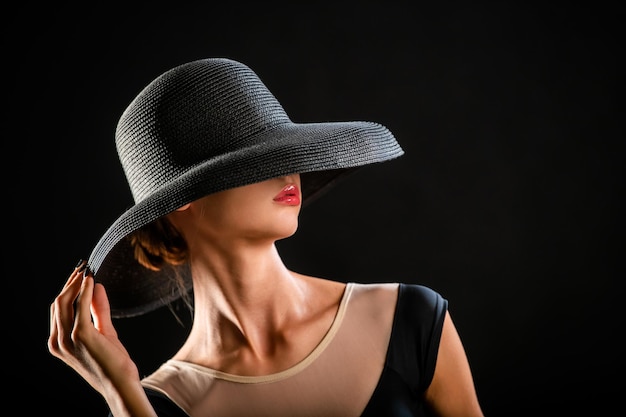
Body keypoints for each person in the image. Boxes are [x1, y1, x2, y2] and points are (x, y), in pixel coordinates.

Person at [48, 58, 484, 417]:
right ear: (180, 199)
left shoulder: (410, 321)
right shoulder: (154, 404)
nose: (288, 170)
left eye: (285, 151)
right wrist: (121, 394)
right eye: (253, 161)